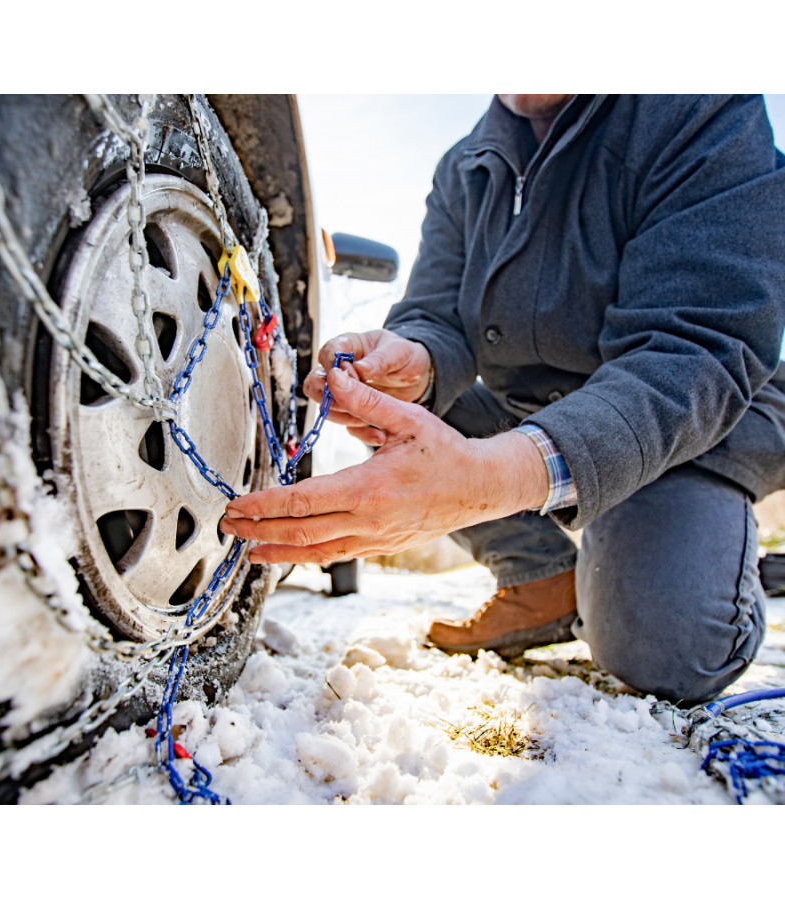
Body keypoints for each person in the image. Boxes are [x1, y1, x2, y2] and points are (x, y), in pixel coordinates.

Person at [223, 94, 785, 704]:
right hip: (533, 409)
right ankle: (541, 576)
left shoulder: (700, 111)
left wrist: (495, 477)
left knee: (668, 653)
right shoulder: (465, 165)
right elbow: (437, 313)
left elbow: (694, 349)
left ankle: (729, 565)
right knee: (416, 421)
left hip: (683, 422)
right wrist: (417, 360)